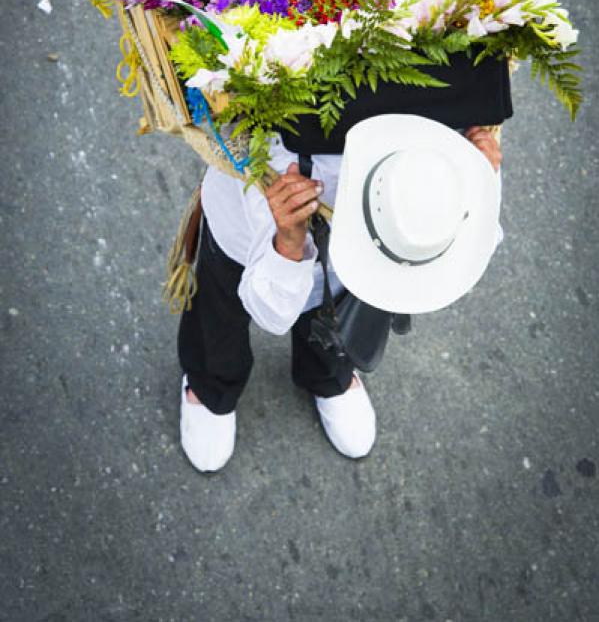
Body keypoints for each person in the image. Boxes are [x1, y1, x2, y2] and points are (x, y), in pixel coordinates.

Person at [177, 118, 502, 473]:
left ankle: (328, 377)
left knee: (339, 318)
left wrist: (479, 175)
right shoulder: (278, 165)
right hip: (248, 227)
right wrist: (288, 242)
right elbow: (272, 313)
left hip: (371, 247)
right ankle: (211, 386)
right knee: (220, 309)